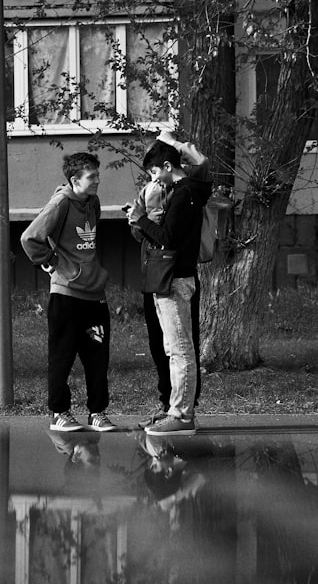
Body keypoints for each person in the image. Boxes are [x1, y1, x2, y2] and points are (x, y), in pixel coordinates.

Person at [21, 151, 119, 433]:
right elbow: (30, 238)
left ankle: (97, 413)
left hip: (94, 293)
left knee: (98, 357)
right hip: (66, 294)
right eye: (92, 177)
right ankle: (59, 413)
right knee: (62, 355)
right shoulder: (61, 203)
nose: (98, 180)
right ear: (75, 179)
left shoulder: (93, 202)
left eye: (98, 175)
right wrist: (53, 264)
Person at [127, 137, 212, 436]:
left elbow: (168, 237)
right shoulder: (184, 190)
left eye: (153, 172)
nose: (152, 179)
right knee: (172, 348)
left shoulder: (185, 192)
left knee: (180, 351)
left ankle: (182, 415)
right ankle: (174, 410)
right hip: (171, 278)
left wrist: (140, 219)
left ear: (166, 167)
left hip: (175, 279)